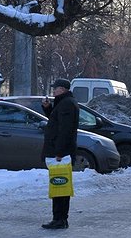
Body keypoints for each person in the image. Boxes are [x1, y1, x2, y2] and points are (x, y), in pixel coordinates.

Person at [40, 78, 80, 230]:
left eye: (55, 88)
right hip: (60, 152)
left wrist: (60, 152)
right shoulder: (64, 102)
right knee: (59, 185)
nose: (53, 90)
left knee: (60, 186)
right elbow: (57, 121)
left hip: (60, 153)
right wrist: (48, 108)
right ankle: (59, 218)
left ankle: (60, 219)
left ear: (62, 89)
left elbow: (65, 130)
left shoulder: (67, 104)